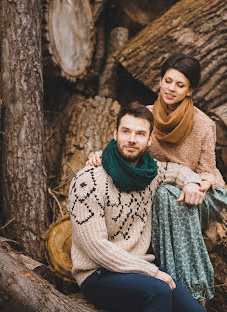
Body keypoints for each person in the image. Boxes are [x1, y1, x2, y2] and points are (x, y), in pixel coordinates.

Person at [87, 54, 227, 304]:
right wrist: (101, 155)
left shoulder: (204, 124)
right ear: (159, 81)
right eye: (168, 81)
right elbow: (126, 146)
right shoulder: (147, 116)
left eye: (180, 85)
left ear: (190, 90)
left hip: (201, 192)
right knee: (163, 195)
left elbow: (208, 170)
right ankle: (169, 287)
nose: (171, 89)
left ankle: (192, 289)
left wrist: (197, 184)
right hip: (159, 189)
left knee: (168, 196)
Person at [69, 103, 205, 312]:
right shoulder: (89, 181)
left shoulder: (150, 173)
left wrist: (191, 183)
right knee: (158, 291)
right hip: (98, 274)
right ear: (115, 134)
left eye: (140, 134)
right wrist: (150, 271)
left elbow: (178, 171)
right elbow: (96, 247)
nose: (132, 139)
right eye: (126, 131)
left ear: (149, 140)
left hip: (140, 269)